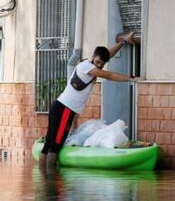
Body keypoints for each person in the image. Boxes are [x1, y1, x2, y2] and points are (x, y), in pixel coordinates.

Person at [39, 32, 136, 172]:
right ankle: (51, 186)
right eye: (98, 62)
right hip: (65, 109)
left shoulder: (90, 63)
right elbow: (108, 75)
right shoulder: (86, 67)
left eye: (102, 64)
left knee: (49, 142)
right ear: (92, 57)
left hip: (60, 106)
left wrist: (123, 42)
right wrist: (131, 78)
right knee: (55, 144)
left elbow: (107, 54)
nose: (100, 65)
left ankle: (45, 183)